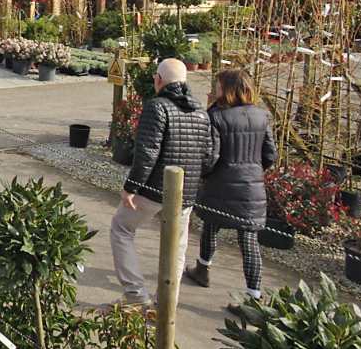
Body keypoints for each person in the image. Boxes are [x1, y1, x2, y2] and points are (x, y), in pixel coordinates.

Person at [110, 58, 218, 305]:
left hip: (153, 189)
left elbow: (147, 152)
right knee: (177, 248)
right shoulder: (202, 113)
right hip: (185, 194)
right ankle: (165, 304)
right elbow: (209, 157)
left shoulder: (156, 107)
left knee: (121, 228)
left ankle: (136, 294)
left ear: (158, 80)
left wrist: (130, 187)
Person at [185, 69, 276, 301]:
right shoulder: (262, 116)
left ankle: (203, 269)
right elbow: (270, 155)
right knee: (248, 239)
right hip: (252, 187)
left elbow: (211, 157)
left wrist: (202, 175)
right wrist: (254, 171)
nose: (215, 89)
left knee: (211, 226)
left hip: (220, 184)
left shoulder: (216, 116)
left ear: (228, 89)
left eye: (218, 85)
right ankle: (254, 295)